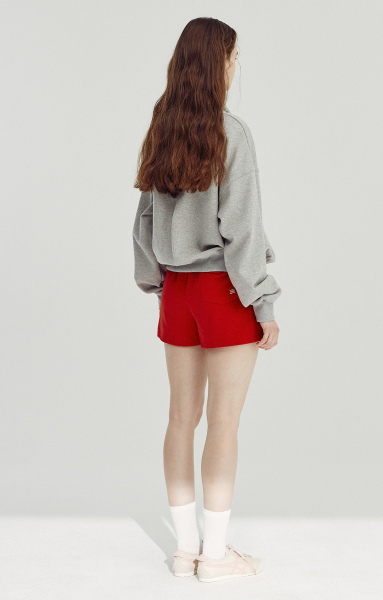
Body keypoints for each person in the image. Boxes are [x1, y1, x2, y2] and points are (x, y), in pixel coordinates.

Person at [132, 17, 282, 583]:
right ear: (219, 61)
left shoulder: (162, 128)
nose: (236, 67)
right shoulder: (232, 133)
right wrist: (263, 303)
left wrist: (158, 284)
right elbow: (242, 230)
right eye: (234, 57)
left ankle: (184, 551)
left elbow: (144, 221)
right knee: (223, 422)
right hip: (224, 290)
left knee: (180, 418)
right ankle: (215, 557)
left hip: (177, 292)